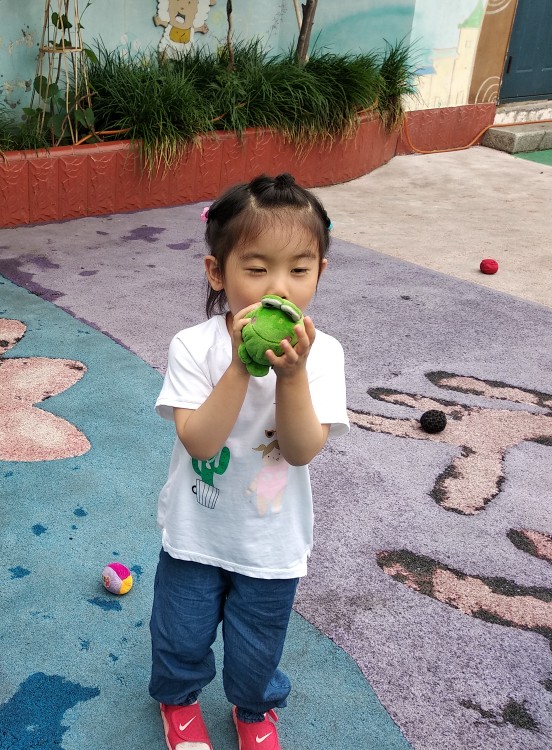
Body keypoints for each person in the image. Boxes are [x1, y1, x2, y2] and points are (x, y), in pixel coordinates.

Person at [150, 173, 349, 750]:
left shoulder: (323, 355)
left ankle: (255, 708)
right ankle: (179, 700)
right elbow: (200, 443)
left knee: (258, 645)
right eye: (257, 269)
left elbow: (301, 450)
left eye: (298, 270)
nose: (278, 288)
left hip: (272, 541)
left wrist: (291, 377)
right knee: (180, 634)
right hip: (196, 532)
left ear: (320, 272)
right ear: (218, 272)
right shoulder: (194, 346)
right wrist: (241, 365)